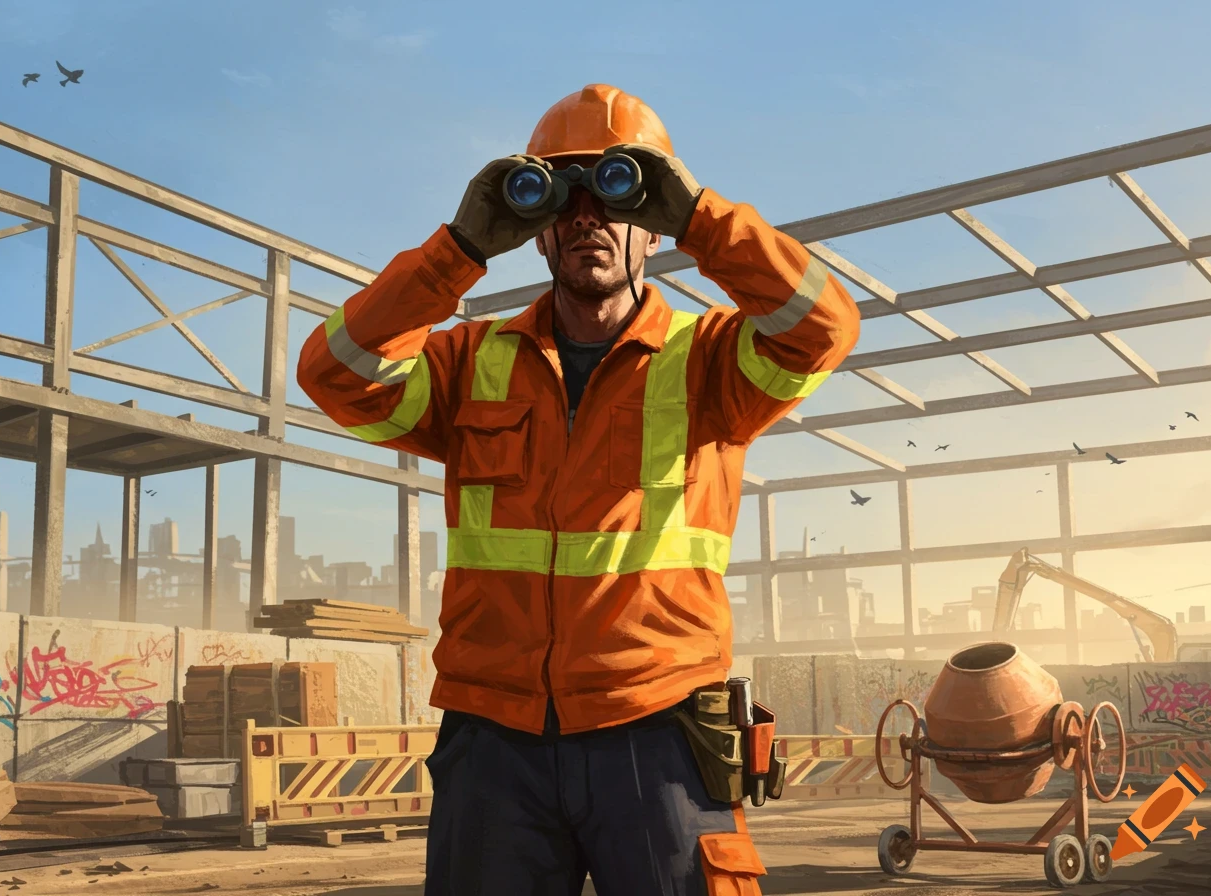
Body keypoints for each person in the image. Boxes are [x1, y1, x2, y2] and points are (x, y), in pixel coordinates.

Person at [297, 84, 860, 895]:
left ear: (651, 221)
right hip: (494, 738)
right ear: (536, 227)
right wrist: (457, 249)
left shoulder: (709, 364)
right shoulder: (469, 364)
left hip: (658, 731)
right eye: (562, 196)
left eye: (618, 191)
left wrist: (702, 215)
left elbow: (825, 328)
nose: (588, 217)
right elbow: (332, 373)